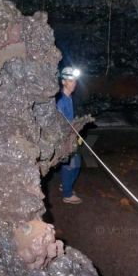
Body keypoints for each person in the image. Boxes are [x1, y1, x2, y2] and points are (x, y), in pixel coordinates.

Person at [56, 66, 83, 204]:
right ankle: (67, 194)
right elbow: (61, 123)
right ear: (63, 82)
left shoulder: (68, 97)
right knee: (73, 164)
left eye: (75, 81)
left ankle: (64, 185)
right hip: (64, 138)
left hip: (71, 136)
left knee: (72, 163)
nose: (74, 84)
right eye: (71, 81)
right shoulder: (61, 100)